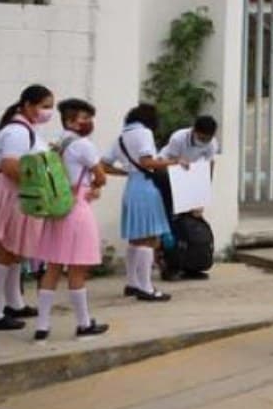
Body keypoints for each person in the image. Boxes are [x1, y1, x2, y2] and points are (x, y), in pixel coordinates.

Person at [0, 84, 56, 331]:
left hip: (18, 193)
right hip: (11, 194)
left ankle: (14, 304)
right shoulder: (18, 132)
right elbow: (10, 166)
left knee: (16, 249)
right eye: (44, 106)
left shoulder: (26, 129)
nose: (48, 112)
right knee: (5, 249)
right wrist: (40, 184)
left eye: (50, 107)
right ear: (27, 106)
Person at [31, 98, 109, 340]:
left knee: (52, 267)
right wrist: (95, 186)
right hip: (77, 209)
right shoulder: (84, 145)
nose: (88, 122)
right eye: (83, 118)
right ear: (71, 121)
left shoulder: (56, 144)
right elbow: (101, 176)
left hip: (58, 209)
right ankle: (84, 324)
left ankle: (42, 326)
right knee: (78, 269)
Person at [102, 104, 180, 302]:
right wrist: (174, 162)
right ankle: (146, 287)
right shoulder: (144, 132)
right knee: (150, 238)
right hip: (146, 187)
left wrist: (126, 172)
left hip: (132, 186)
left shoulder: (121, 137)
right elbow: (147, 162)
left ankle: (132, 283)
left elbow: (104, 164)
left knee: (136, 238)